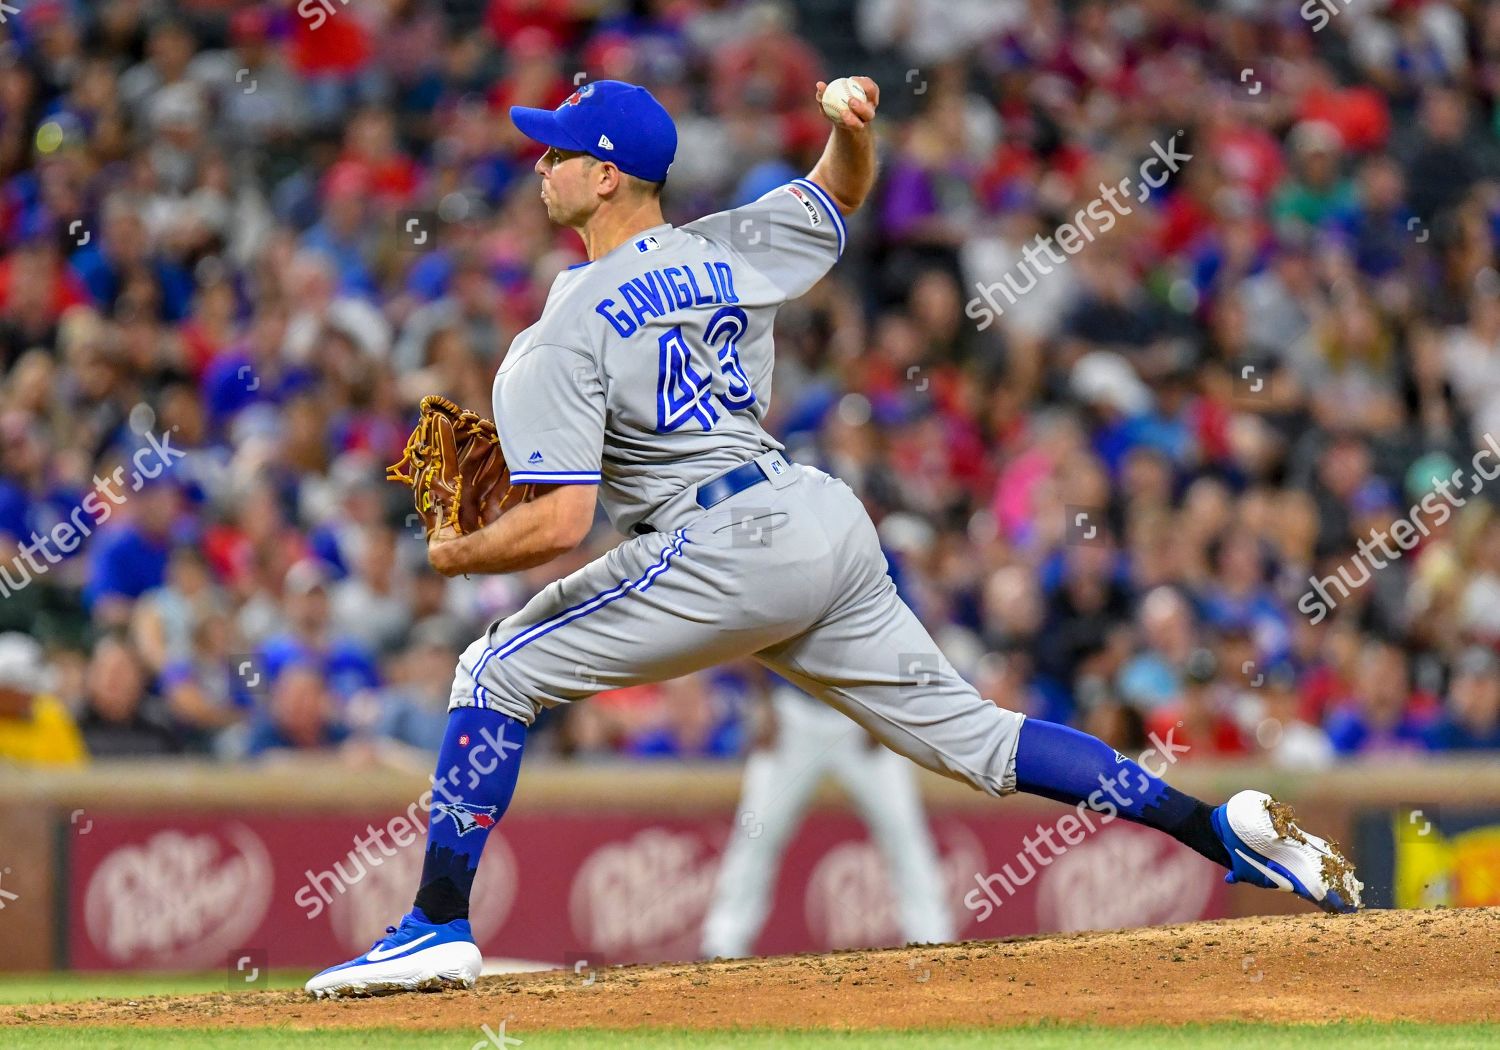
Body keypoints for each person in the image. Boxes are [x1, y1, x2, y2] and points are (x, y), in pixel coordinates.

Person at [305, 77, 1362, 999]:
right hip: (818, 514)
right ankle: (1211, 830)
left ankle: (435, 926)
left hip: (723, 539)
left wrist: (454, 554)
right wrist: (853, 121)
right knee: (982, 740)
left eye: (563, 151)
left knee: (491, 670)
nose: (543, 163)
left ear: (611, 178)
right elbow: (842, 186)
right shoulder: (729, 247)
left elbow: (563, 523)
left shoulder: (561, 331)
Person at [700, 679, 954, 959]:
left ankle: (934, 939)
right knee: (754, 830)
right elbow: (748, 637)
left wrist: (886, 708)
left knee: (903, 831)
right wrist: (762, 700)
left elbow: (900, 641)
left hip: (860, 708)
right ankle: (722, 943)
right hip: (793, 711)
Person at [0, 633, 86, 766]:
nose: (21, 696)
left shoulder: (51, 715)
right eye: (11, 688)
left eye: (27, 687)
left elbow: (76, 770)